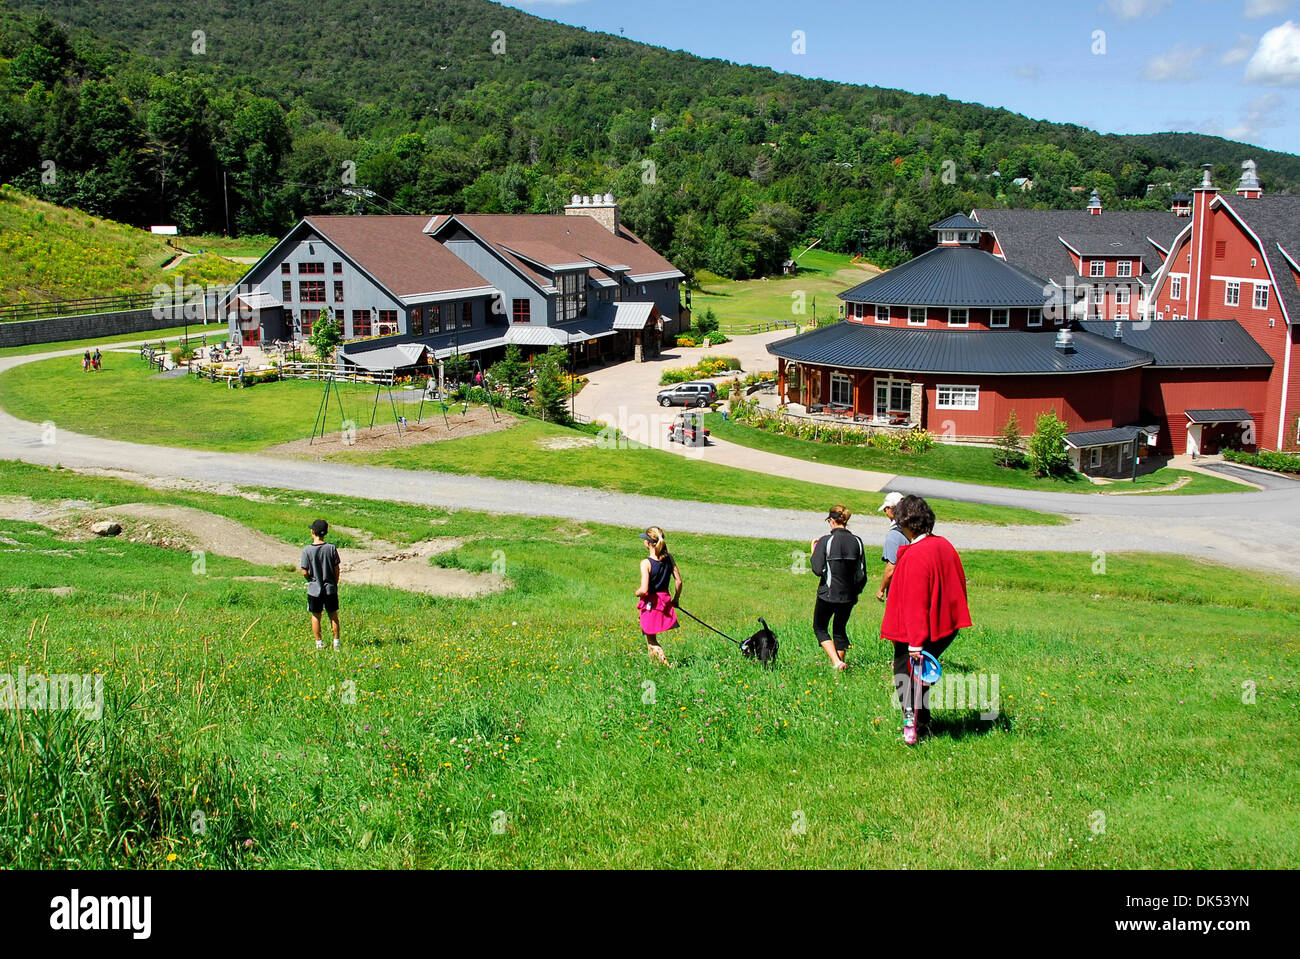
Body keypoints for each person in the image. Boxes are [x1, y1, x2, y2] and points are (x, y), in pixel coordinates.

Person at [880, 495, 972, 745]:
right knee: (920, 678)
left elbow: (915, 602)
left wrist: (915, 643)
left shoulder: (916, 555)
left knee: (906, 676)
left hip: (917, 632)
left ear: (907, 524)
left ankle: (914, 726)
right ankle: (923, 722)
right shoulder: (944, 544)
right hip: (943, 626)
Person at [810, 504, 867, 670]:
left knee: (820, 627)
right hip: (849, 596)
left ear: (832, 520)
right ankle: (839, 667)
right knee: (839, 629)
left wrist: (814, 554)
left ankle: (836, 662)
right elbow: (862, 572)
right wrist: (856, 592)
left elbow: (817, 569)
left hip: (827, 594)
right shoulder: (857, 541)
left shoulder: (826, 541)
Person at [635, 526, 682, 666]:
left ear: (648, 543)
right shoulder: (669, 559)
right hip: (665, 600)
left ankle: (667, 666)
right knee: (649, 636)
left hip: (652, 603)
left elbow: (644, 589)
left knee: (651, 638)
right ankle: (654, 666)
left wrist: (637, 592)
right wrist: (676, 599)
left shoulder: (646, 563)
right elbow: (678, 581)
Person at [299, 519, 342, 651]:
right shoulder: (331, 548)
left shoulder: (307, 550)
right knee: (333, 615)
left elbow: (304, 571)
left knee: (316, 616)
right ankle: (336, 643)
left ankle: (319, 642)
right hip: (330, 588)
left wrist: (311, 580)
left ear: (312, 532)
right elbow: (337, 569)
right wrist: (334, 581)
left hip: (314, 589)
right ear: (326, 533)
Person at [876, 491, 908, 602]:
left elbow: (891, 568)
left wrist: (881, 589)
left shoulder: (893, 535)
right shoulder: (913, 528)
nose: (885, 511)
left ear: (891, 508)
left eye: (885, 509)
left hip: (899, 588)